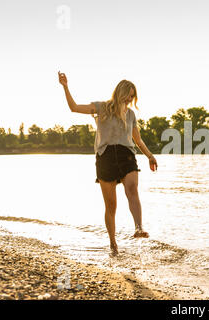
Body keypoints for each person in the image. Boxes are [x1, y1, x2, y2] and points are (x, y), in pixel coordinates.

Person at [58, 71, 158, 256]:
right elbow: (74, 107)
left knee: (132, 189)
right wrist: (65, 86)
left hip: (126, 154)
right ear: (120, 92)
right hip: (105, 157)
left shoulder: (130, 115)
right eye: (129, 94)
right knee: (111, 205)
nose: (130, 98)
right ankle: (113, 243)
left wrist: (150, 156)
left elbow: (138, 140)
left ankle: (138, 227)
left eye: (133, 95)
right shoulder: (102, 107)